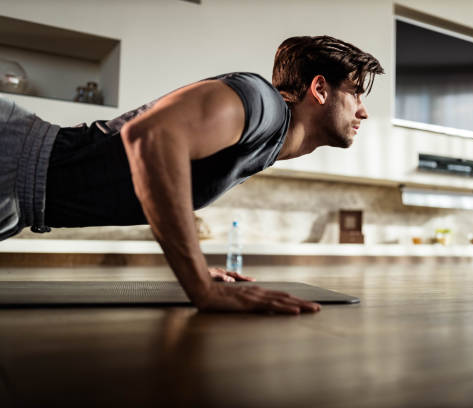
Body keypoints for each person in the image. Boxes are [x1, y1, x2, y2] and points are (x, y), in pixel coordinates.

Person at [0, 35, 384, 314]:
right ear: (319, 88)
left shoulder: (266, 141)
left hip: (18, 198)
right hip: (12, 155)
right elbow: (148, 137)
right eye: (355, 93)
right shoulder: (262, 103)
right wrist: (198, 285)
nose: (363, 111)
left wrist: (196, 267)